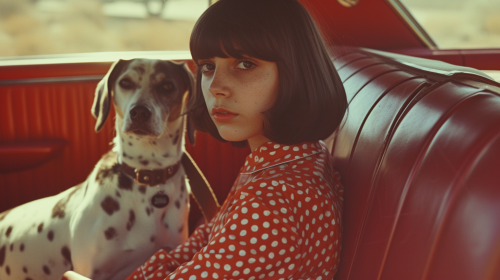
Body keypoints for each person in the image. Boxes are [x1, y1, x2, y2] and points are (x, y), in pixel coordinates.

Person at [63, 0, 347, 279]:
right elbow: (205, 241)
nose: (216, 87)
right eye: (208, 67)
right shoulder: (285, 160)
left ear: (295, 74)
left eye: (245, 64)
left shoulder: (272, 201)